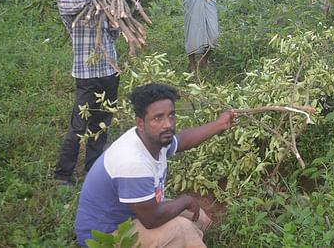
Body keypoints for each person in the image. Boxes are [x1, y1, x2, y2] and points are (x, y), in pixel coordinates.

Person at [74, 83, 236, 247]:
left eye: (171, 115)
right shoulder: (132, 161)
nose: (168, 124)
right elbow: (152, 219)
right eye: (158, 118)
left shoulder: (153, 138)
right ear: (140, 122)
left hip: (132, 217)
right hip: (104, 236)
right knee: (182, 230)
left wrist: (220, 124)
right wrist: (185, 201)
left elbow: (182, 141)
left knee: (197, 218)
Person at [55, 0, 126, 186]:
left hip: (109, 70)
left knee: (101, 123)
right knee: (79, 125)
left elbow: (114, 34)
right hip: (86, 75)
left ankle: (92, 169)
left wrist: (116, 15)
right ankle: (63, 175)